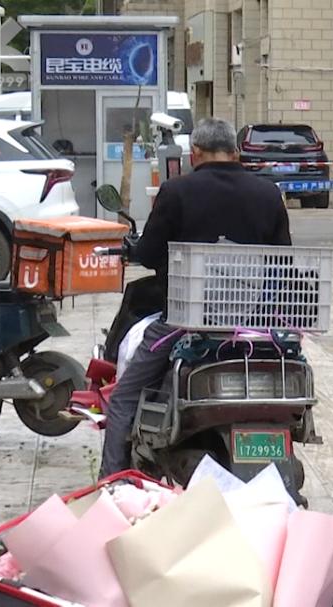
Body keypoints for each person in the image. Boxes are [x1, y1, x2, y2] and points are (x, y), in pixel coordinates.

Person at [99, 117, 292, 477]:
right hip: (253, 323)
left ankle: (112, 482)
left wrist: (146, 254)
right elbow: (283, 256)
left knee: (124, 396)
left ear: (196, 153)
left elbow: (151, 253)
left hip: (184, 321)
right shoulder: (268, 193)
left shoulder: (177, 191)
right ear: (236, 153)